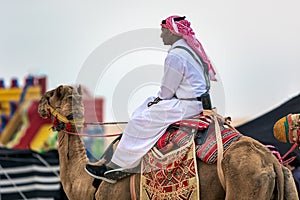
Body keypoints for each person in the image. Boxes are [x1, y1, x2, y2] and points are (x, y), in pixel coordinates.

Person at [85, 15, 217, 183]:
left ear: (173, 33)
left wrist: (158, 100)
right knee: (147, 104)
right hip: (196, 102)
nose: (161, 36)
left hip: (187, 106)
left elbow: (167, 91)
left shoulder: (176, 55)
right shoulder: (190, 50)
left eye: (163, 32)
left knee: (139, 120)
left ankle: (118, 165)